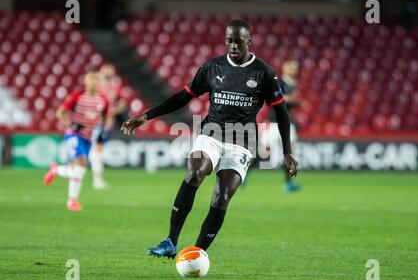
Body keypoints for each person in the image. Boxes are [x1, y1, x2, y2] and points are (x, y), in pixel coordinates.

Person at [121, 19, 299, 257]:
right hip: (211, 134)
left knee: (221, 197)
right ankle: (170, 241)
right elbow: (183, 97)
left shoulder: (264, 73)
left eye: (238, 41)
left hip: (243, 142)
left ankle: (196, 252)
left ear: (248, 41)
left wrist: (287, 152)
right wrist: (146, 116)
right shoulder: (212, 67)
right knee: (195, 172)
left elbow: (282, 112)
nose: (233, 46)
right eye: (229, 41)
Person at [43, 71, 109, 211]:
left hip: (88, 138)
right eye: (91, 80)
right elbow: (60, 112)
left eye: (96, 80)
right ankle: (71, 199)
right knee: (81, 163)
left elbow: (104, 117)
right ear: (86, 82)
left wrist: (101, 132)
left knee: (76, 170)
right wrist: (70, 124)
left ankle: (57, 172)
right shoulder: (77, 96)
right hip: (74, 135)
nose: (94, 83)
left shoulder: (103, 99)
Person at [258, 60, 302, 193]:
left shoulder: (294, 84)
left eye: (296, 68)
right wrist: (291, 100)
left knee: (289, 153)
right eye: (293, 67)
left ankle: (288, 183)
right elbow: (274, 98)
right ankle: (244, 175)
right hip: (274, 123)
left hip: (287, 123)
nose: (295, 70)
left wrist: (296, 103)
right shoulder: (279, 82)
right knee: (263, 151)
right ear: (286, 69)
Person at [90, 64, 127, 190]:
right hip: (95, 122)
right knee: (96, 149)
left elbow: (122, 104)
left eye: (111, 71)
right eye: (107, 70)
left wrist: (112, 110)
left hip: (107, 123)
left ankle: (96, 178)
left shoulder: (115, 87)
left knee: (97, 149)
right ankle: (97, 179)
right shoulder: (96, 86)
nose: (110, 73)